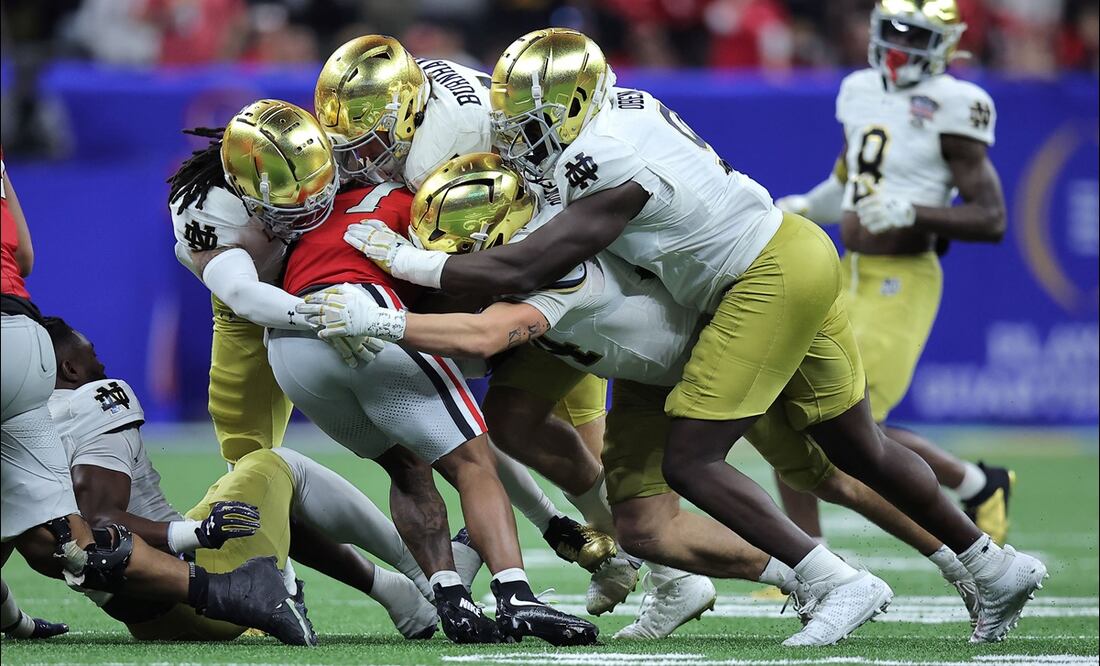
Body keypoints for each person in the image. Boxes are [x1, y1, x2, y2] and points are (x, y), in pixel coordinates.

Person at [337, 28, 1047, 646]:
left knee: (708, 460)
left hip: (756, 279)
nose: (516, 134)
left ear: (576, 107)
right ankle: (989, 564)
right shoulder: (608, 114)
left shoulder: (604, 159)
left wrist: (404, 263)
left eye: (532, 120)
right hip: (742, 273)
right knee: (850, 450)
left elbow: (529, 265)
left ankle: (831, 580)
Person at [304, 152, 984, 639]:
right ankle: (704, 580)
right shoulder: (524, 242)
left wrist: (389, 318)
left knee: (824, 471)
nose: (454, 261)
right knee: (641, 524)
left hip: (711, 357)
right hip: (646, 378)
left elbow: (486, 334)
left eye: (462, 246)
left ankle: (959, 563)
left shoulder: (555, 267)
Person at [315, 33, 639, 607]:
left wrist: (388, 284)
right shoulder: (423, 90)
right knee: (493, 421)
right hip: (532, 249)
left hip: (533, 259)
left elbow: (458, 245)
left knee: (535, 420)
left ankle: (649, 560)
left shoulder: (435, 153)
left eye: (365, 143)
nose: (356, 160)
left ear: (408, 110)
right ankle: (608, 547)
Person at [263, 151, 598, 645]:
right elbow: (457, 288)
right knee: (473, 463)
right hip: (364, 313)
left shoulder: (315, 208)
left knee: (406, 466)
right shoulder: (419, 203)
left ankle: (449, 594)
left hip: (290, 342)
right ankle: (516, 594)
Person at [1, 147, 315, 647]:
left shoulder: (88, 400)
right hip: (16, 327)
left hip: (159, 596)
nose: (100, 366)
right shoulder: (91, 393)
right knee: (61, 534)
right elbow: (21, 256)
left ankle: (237, 590)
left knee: (51, 534)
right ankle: (247, 589)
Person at [774, 0, 1014, 545]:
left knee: (850, 426)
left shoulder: (958, 104)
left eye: (916, 36)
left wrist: (914, 212)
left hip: (901, 277)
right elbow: (850, 177)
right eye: (894, 32)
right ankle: (804, 557)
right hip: (842, 270)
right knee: (789, 407)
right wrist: (811, 205)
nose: (901, 47)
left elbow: (991, 218)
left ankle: (975, 485)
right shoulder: (860, 88)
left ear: (945, 45)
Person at [43, 315, 440, 641]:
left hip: (151, 617)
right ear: (70, 368)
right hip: (198, 594)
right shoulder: (91, 402)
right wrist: (196, 534)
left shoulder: (22, 430)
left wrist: (16, 623)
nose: (102, 365)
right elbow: (99, 523)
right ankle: (423, 574)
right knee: (274, 464)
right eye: (92, 356)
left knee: (248, 497)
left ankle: (396, 590)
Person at [167, 101, 378, 467]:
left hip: (340, 259)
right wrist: (320, 314)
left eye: (316, 181)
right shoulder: (206, 207)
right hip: (261, 292)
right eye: (288, 193)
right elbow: (241, 294)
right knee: (246, 450)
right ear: (240, 186)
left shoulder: (334, 150)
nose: (311, 201)